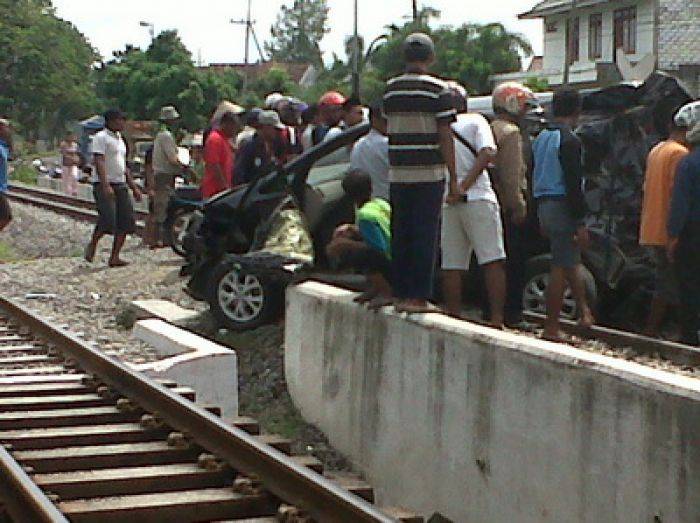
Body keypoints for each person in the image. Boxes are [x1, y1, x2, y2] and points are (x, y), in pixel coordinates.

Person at [383, 33, 459, 313]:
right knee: (425, 234)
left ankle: (400, 291)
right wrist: (454, 179)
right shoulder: (439, 90)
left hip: (399, 172)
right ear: (430, 57)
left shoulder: (390, 90)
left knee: (401, 233)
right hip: (429, 172)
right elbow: (445, 134)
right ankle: (418, 296)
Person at [440, 83, 507, 327]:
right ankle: (497, 318)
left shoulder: (439, 127)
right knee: (492, 259)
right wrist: (464, 186)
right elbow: (488, 152)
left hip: (448, 201)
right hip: (477, 197)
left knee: (452, 264)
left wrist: (454, 189)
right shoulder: (475, 121)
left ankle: (454, 315)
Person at [532, 89, 593, 340]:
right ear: (576, 111)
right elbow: (572, 182)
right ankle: (552, 326)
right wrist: (580, 221)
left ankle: (584, 312)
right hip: (562, 205)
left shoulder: (541, 138)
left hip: (543, 203)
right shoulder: (570, 141)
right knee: (559, 265)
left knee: (569, 260)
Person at [638, 108, 690, 337]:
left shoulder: (657, 150)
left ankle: (655, 330)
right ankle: (659, 331)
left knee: (665, 282)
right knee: (675, 284)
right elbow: (677, 195)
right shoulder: (680, 154)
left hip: (651, 227)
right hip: (667, 231)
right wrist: (675, 233)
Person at [491, 82, 537, 326]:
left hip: (492, 203)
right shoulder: (511, 134)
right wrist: (518, 206)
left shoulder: (491, 128)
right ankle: (512, 314)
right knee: (515, 262)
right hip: (508, 207)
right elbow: (512, 176)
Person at [84, 109, 143, 267]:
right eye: (119, 120)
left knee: (126, 221)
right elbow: (99, 161)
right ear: (110, 121)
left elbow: (124, 166)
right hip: (104, 183)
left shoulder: (120, 140)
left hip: (120, 183)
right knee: (108, 219)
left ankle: (115, 256)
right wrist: (105, 185)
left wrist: (134, 186)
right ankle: (93, 243)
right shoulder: (101, 138)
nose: (122, 123)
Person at [326, 170, 392, 307]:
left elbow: (378, 248)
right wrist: (351, 229)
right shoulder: (380, 204)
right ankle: (375, 287)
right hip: (397, 255)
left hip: (389, 261)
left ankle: (386, 291)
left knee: (358, 255)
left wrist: (345, 244)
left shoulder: (365, 216)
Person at [667, 101, 700, 346]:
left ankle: (689, 334)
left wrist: (673, 236)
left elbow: (680, 203)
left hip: (692, 233)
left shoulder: (688, 164)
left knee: (688, 283)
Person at [152, 105, 187, 246]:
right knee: (163, 206)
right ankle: (158, 239)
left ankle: (161, 238)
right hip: (165, 175)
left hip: (163, 174)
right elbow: (172, 159)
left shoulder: (162, 135)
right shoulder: (166, 136)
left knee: (164, 206)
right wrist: (185, 168)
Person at [235, 110, 287, 185]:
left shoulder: (275, 145)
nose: (277, 132)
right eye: (275, 129)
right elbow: (239, 174)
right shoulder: (249, 147)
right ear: (265, 127)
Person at [350, 102, 389, 200]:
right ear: (374, 120)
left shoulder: (358, 145)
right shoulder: (388, 145)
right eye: (385, 119)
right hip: (388, 205)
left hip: (366, 205)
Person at [202, 111, 241, 199]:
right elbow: (214, 166)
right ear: (226, 124)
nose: (235, 132)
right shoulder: (215, 139)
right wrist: (224, 188)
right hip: (214, 192)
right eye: (234, 128)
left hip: (222, 192)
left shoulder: (224, 140)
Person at [0, 118, 12, 231]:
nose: (8, 131)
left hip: (2, 187)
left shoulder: (3, 146)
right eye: (6, 128)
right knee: (6, 216)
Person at [59, 132, 80, 197]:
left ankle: (74, 191)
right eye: (70, 136)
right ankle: (68, 194)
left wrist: (77, 159)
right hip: (66, 165)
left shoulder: (75, 145)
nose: (71, 138)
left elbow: (76, 153)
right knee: (66, 180)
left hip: (73, 165)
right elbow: (64, 154)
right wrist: (72, 158)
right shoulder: (63, 144)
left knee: (74, 177)